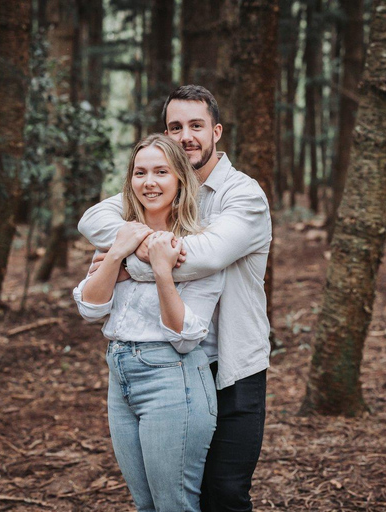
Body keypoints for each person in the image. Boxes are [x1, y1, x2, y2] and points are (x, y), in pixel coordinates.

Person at [79, 85, 272, 512]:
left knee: (224, 494)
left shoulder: (244, 195)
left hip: (231, 365)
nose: (186, 136)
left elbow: (205, 258)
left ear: (216, 131)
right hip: (174, 364)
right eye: (175, 126)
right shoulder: (162, 184)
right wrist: (131, 245)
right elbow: (95, 219)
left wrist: (128, 263)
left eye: (196, 126)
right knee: (168, 495)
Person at [73, 133, 223, 512]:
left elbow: (186, 336)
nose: (149, 182)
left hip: (174, 380)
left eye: (161, 172)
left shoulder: (200, 246)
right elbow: (90, 309)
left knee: (173, 505)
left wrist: (161, 272)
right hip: (120, 374)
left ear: (180, 180)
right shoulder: (119, 235)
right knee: (146, 505)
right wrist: (115, 257)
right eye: (140, 173)